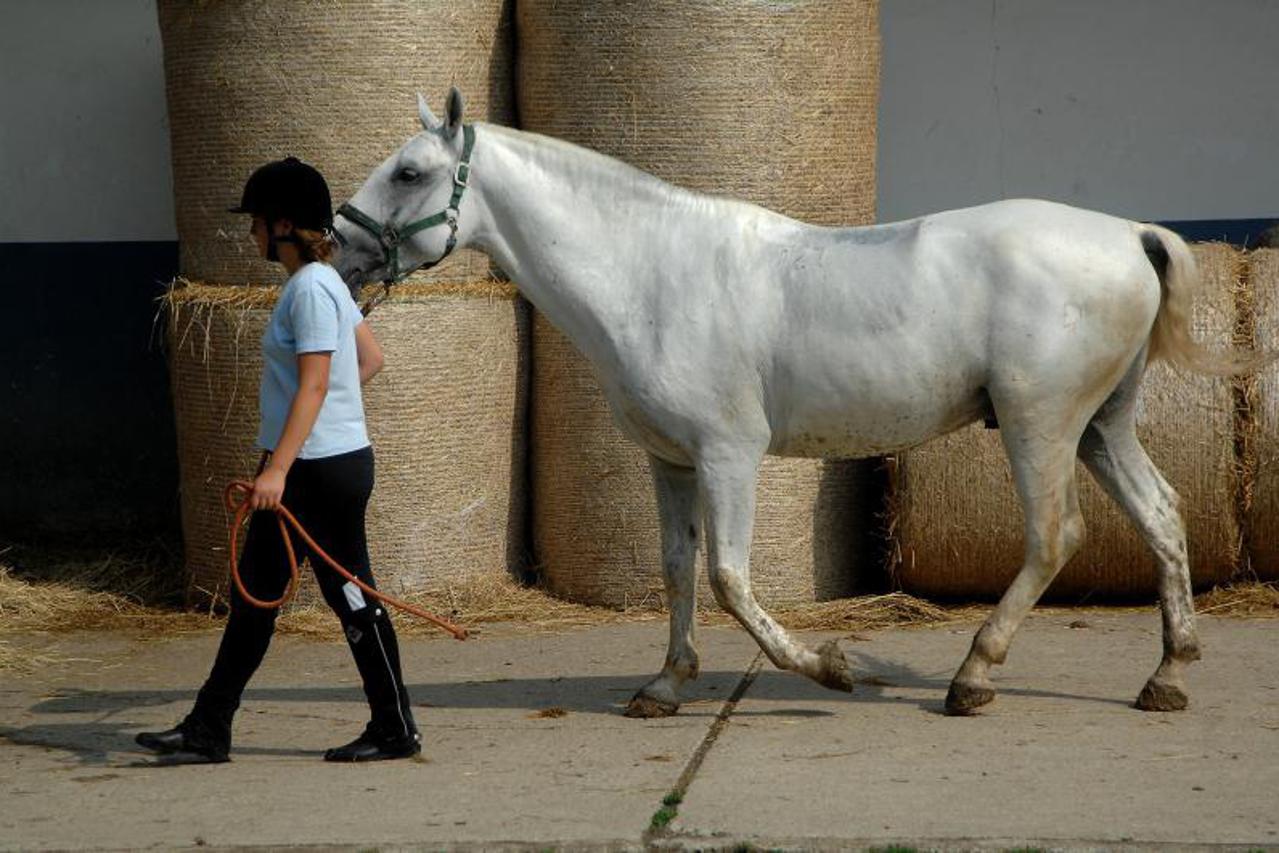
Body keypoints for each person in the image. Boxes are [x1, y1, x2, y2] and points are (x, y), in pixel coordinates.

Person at [136, 157, 420, 763]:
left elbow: (315, 385)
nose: (252, 234)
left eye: (258, 222)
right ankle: (209, 727)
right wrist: (323, 425)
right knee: (257, 599)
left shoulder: (312, 290)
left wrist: (279, 468)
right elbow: (367, 362)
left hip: (315, 472)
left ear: (284, 225)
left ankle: (395, 728)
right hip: (323, 461)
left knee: (349, 596)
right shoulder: (325, 284)